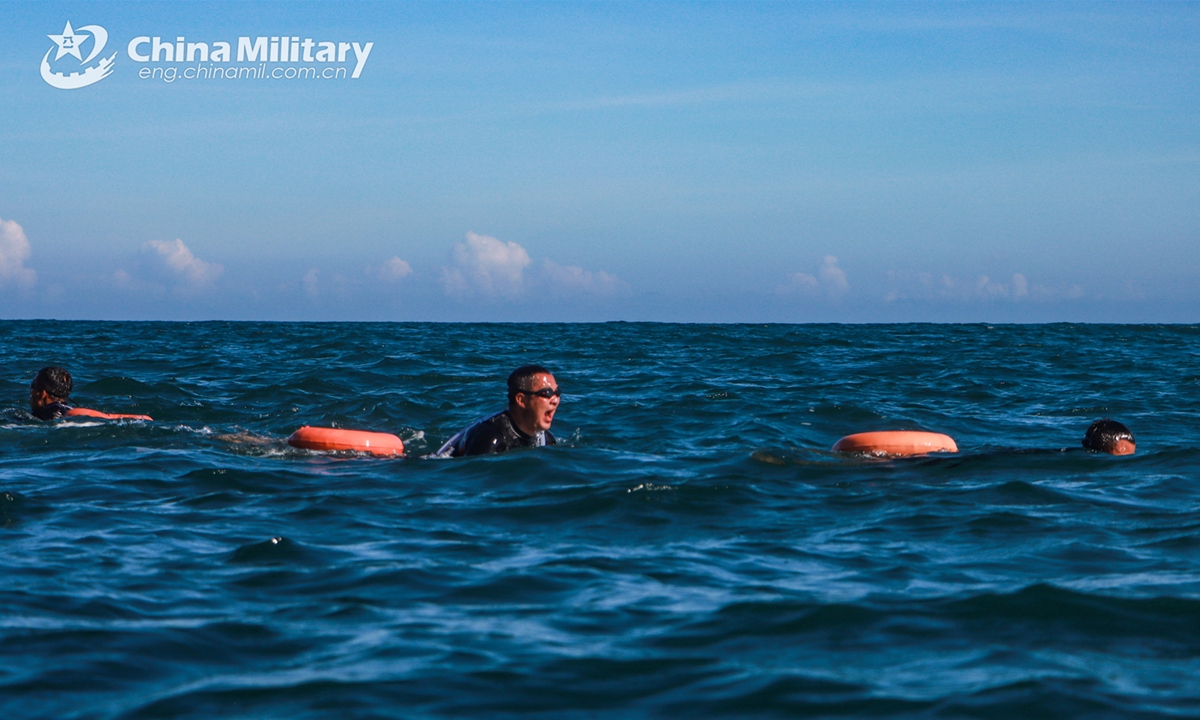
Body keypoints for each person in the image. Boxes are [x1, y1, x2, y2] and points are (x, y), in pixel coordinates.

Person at [436, 364, 561, 457]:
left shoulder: (546, 440)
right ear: (521, 400)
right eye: (547, 393)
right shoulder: (490, 436)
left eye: (557, 393)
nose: (555, 400)